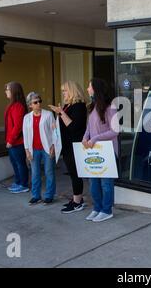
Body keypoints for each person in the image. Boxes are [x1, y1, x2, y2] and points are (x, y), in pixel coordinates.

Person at [83, 78, 119, 222]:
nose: (87, 89)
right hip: (94, 151)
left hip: (107, 152)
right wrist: (85, 137)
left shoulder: (111, 108)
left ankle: (106, 210)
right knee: (93, 183)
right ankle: (97, 208)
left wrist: (96, 138)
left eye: (89, 86)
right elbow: (88, 127)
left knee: (106, 183)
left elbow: (115, 131)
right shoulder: (92, 107)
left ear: (96, 89)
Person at [49, 81, 88, 214]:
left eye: (65, 90)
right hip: (66, 145)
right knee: (72, 173)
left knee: (75, 173)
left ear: (72, 91)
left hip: (74, 145)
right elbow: (63, 125)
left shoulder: (79, 106)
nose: (63, 93)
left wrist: (61, 113)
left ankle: (78, 202)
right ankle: (76, 199)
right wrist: (56, 125)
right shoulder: (67, 106)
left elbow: (73, 127)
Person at [23, 92, 56, 205]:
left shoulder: (48, 114)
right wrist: (27, 150)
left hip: (47, 148)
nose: (38, 104)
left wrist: (53, 146)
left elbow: (54, 132)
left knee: (49, 172)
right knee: (35, 173)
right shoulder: (27, 118)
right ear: (30, 105)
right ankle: (36, 195)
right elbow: (25, 135)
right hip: (33, 149)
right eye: (35, 102)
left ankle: (49, 195)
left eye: (39, 101)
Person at [5, 82, 29, 194]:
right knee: (15, 163)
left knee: (20, 163)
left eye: (8, 90)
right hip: (13, 142)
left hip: (17, 142)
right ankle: (18, 181)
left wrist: (11, 140)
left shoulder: (18, 106)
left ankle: (23, 184)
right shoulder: (13, 105)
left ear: (14, 91)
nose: (6, 91)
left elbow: (18, 126)